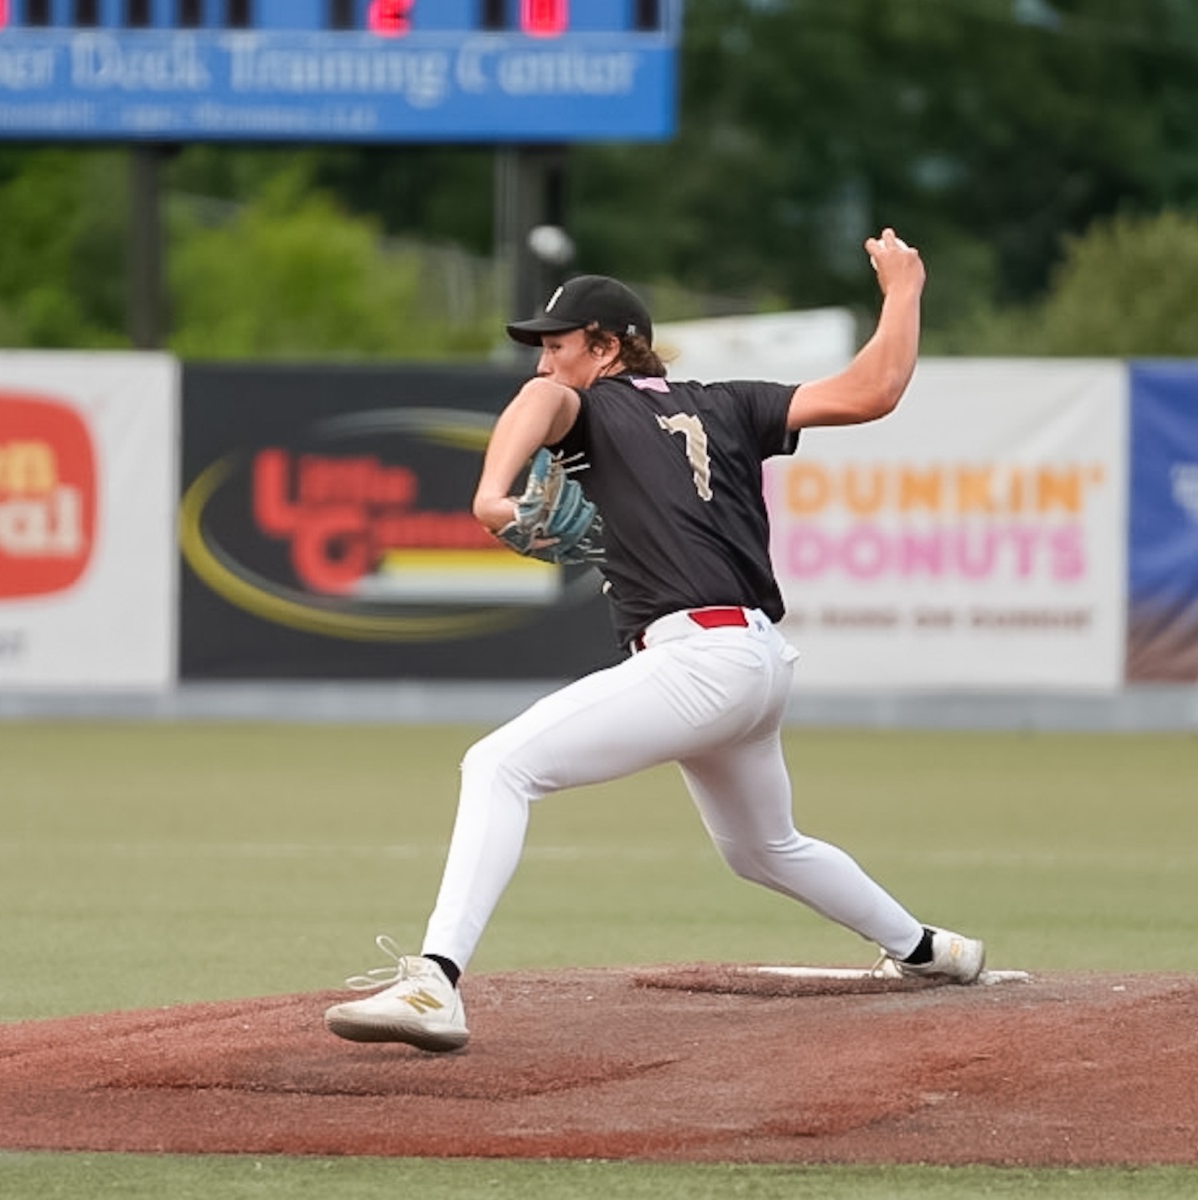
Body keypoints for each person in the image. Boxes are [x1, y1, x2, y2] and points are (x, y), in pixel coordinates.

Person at [324, 229, 984, 1052]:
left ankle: (434, 983)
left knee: (499, 765)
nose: (544, 363)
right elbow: (874, 390)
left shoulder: (590, 405)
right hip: (755, 661)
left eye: (557, 345)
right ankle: (929, 951)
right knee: (764, 848)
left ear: (606, 347)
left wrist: (492, 494)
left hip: (698, 660)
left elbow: (539, 405)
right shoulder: (728, 403)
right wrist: (904, 291)